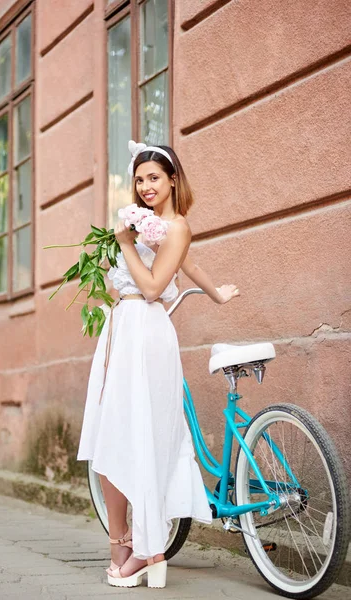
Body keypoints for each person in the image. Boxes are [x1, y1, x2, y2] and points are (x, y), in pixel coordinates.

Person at [77, 141, 240, 588]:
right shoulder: (151, 227)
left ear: (172, 180)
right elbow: (188, 266)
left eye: (154, 177)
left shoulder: (177, 225)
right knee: (109, 436)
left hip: (148, 334)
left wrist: (125, 244)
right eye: (139, 179)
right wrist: (216, 293)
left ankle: (150, 549)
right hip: (119, 332)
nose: (146, 186)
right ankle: (121, 542)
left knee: (145, 438)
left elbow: (152, 289)